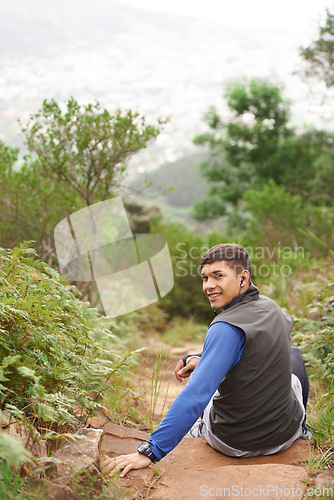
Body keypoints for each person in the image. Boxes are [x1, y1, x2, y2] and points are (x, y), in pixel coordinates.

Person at [104, 243, 312, 477]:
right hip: (284, 435)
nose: (209, 286)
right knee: (293, 357)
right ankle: (303, 429)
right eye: (204, 278)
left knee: (210, 396)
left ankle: (197, 433)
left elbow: (195, 395)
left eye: (218, 276)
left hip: (235, 444)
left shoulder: (225, 328)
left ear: (243, 278)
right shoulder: (272, 309)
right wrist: (203, 359)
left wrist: (150, 451)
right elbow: (260, 349)